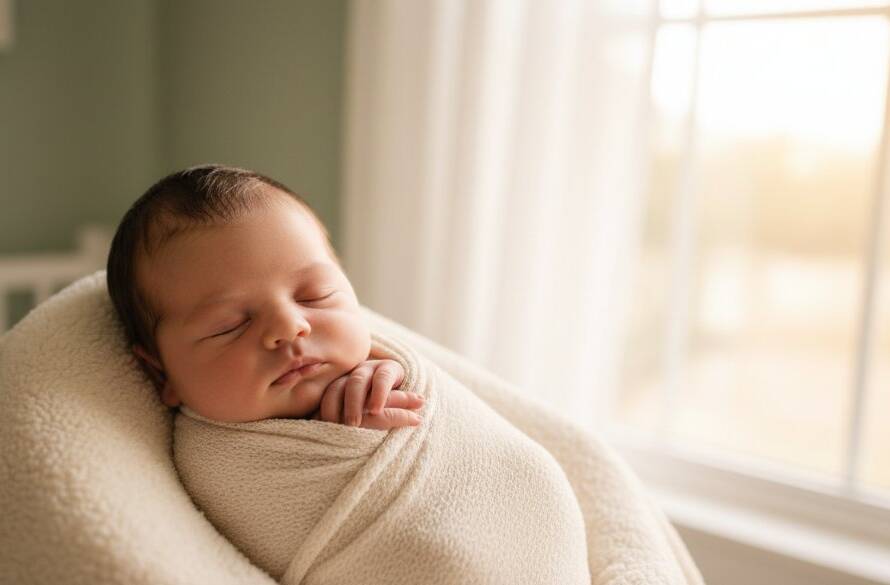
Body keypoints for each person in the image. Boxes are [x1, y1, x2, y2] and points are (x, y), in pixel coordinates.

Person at [106, 164, 424, 430]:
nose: (288, 327)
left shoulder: (382, 368)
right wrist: (349, 441)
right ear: (160, 373)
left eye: (315, 296)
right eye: (229, 326)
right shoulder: (210, 459)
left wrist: (397, 375)